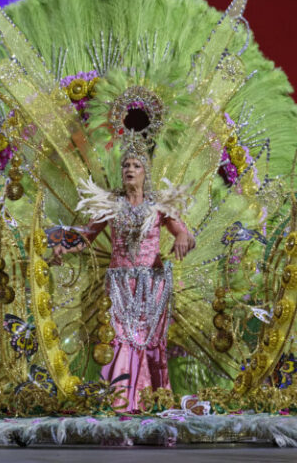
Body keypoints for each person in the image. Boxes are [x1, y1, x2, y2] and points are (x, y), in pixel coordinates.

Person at [52, 145, 195, 411]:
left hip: (151, 287)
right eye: (126, 165)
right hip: (119, 286)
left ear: (145, 174)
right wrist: (65, 246)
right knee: (120, 341)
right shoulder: (111, 206)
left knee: (150, 343)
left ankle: (152, 402)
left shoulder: (158, 207)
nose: (130, 170)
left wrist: (184, 238)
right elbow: (86, 237)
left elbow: (184, 233)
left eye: (136, 166)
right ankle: (118, 403)